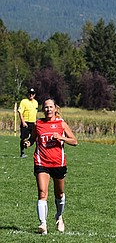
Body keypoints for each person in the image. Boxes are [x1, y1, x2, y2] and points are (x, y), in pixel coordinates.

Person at [31, 97, 78, 234]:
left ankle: (59, 216)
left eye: (50, 107)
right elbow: (33, 139)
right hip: (41, 161)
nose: (48, 109)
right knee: (42, 192)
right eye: (46, 107)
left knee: (59, 193)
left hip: (58, 163)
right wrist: (28, 143)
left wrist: (61, 137)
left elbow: (74, 141)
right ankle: (43, 224)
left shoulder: (61, 123)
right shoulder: (38, 123)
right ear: (42, 109)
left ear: (55, 108)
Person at [17, 88, 38, 158]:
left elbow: (35, 113)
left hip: (33, 122)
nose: (31, 95)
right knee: (23, 138)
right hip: (26, 122)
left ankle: (37, 152)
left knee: (35, 137)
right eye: (30, 93)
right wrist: (23, 122)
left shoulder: (36, 102)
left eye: (32, 93)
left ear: (34, 94)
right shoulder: (24, 101)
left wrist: (35, 122)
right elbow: (20, 112)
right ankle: (22, 153)